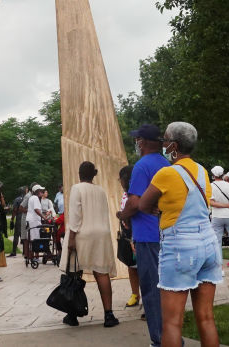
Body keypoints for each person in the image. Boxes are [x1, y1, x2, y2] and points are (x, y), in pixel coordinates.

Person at [139, 122, 220, 347]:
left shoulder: (166, 173)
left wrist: (158, 207)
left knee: (172, 323)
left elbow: (144, 205)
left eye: (165, 140)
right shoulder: (203, 171)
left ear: (173, 145)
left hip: (180, 247)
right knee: (206, 317)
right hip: (209, 244)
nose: (163, 144)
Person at [118, 124, 169, 347]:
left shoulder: (142, 166)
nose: (136, 143)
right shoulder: (167, 164)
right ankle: (172, 337)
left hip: (147, 236)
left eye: (137, 139)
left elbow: (135, 202)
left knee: (150, 289)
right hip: (165, 233)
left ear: (143, 142)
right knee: (167, 289)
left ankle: (159, 340)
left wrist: (122, 214)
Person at [61, 162, 118, 328]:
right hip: (101, 234)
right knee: (101, 273)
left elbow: (75, 215)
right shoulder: (100, 190)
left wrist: (71, 237)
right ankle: (109, 314)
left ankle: (72, 315)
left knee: (74, 272)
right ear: (93, 175)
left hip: (82, 234)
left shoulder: (77, 188)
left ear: (79, 174)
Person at [117, 165, 140, 308]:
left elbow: (133, 210)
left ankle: (149, 298)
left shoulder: (136, 192)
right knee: (131, 266)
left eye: (120, 179)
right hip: (128, 234)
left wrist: (122, 215)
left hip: (138, 233)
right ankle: (135, 294)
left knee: (144, 267)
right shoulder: (125, 194)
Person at [25, 185, 46, 265]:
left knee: (31, 240)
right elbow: (36, 210)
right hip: (34, 221)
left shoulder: (32, 198)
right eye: (41, 191)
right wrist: (44, 217)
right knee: (35, 240)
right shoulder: (36, 198)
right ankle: (34, 258)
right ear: (37, 191)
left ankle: (32, 257)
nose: (42, 193)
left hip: (30, 220)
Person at [8, 187, 25, 256]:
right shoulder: (26, 199)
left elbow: (14, 210)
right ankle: (25, 251)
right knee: (23, 235)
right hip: (25, 218)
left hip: (19, 218)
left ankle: (14, 252)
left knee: (16, 235)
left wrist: (12, 219)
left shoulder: (17, 199)